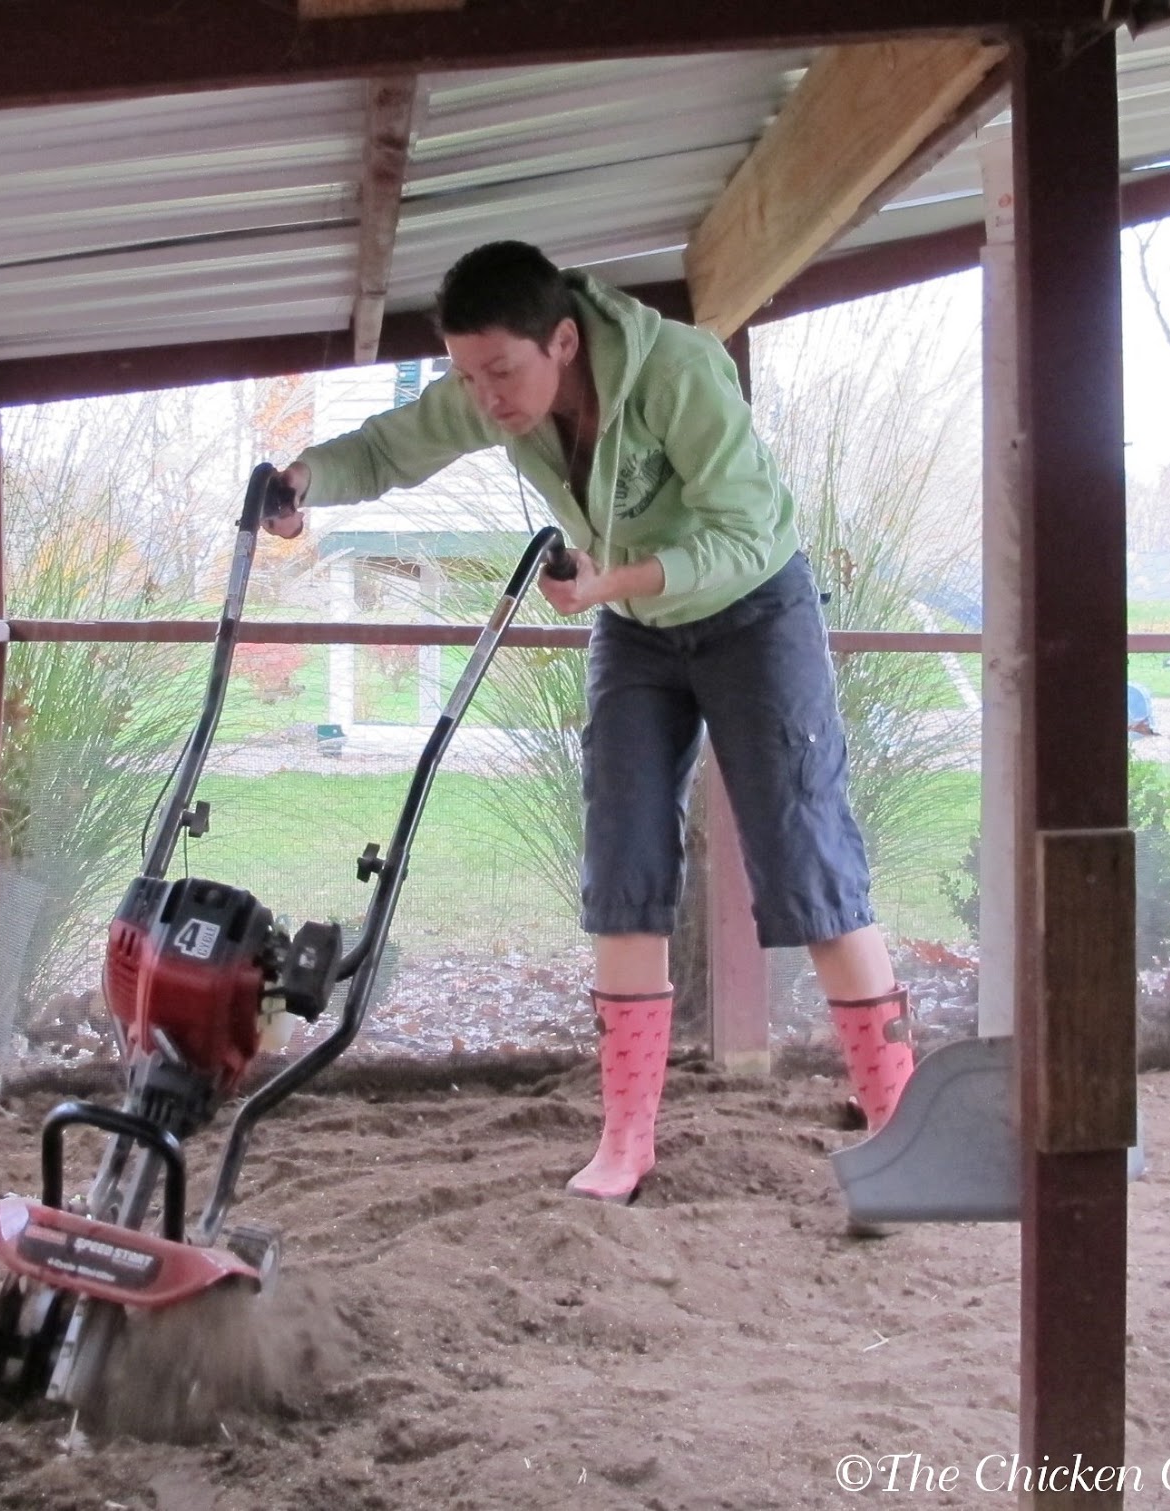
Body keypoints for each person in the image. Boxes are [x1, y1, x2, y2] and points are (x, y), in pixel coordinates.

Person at [268, 241, 913, 1203]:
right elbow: (391, 446)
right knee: (621, 851)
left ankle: (899, 1122)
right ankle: (625, 1139)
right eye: (467, 375)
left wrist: (606, 578)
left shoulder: (681, 371)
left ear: (563, 339)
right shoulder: (495, 391)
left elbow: (739, 535)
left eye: (502, 372)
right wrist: (304, 481)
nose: (486, 397)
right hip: (635, 626)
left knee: (803, 849)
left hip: (755, 610)